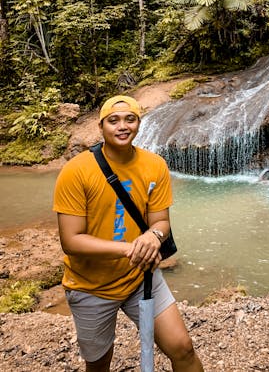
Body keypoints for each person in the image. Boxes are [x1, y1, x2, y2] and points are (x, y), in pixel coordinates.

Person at [53, 94, 204, 372]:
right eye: (114, 120)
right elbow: (71, 241)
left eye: (130, 119)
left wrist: (153, 237)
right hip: (91, 286)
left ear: (138, 124)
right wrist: (130, 249)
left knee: (183, 348)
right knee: (99, 364)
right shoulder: (76, 171)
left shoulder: (155, 165)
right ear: (101, 127)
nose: (122, 126)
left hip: (141, 277)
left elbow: (160, 222)